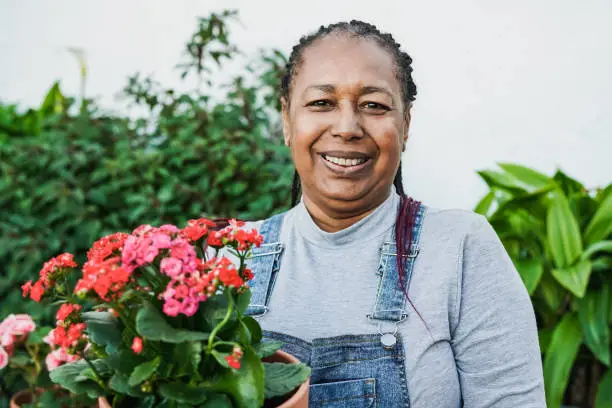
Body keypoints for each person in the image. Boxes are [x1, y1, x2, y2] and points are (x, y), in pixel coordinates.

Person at [243, 20, 545, 407]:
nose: (347, 127)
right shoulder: (227, 260)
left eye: (374, 105)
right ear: (287, 120)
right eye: (321, 103)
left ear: (405, 124)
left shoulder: (460, 249)